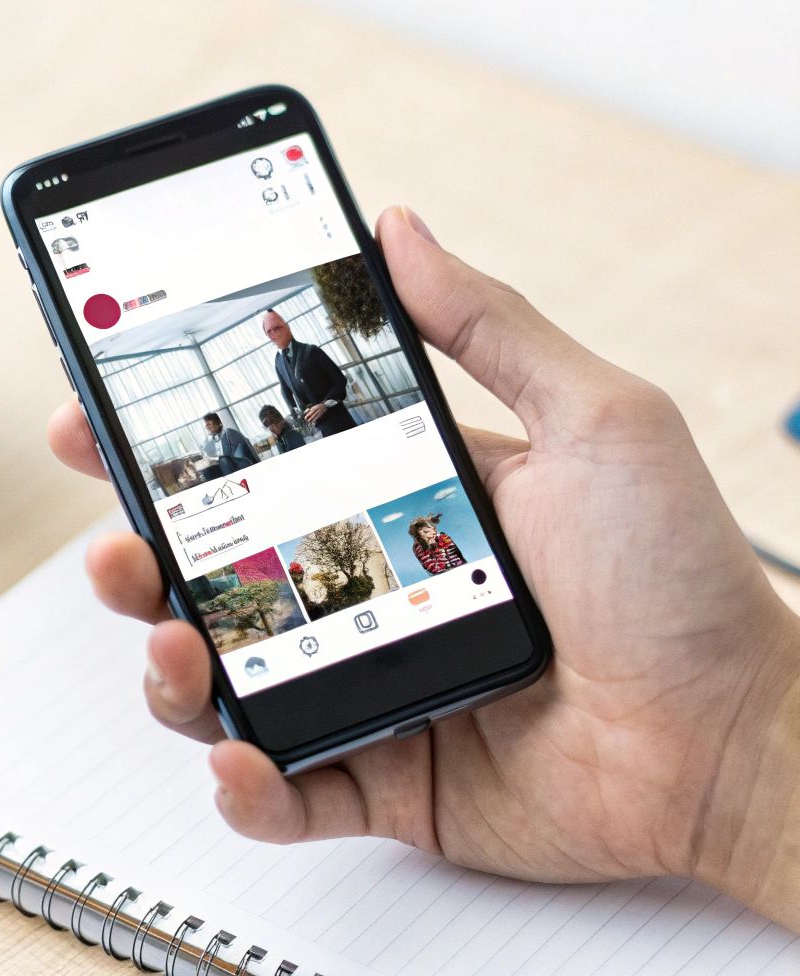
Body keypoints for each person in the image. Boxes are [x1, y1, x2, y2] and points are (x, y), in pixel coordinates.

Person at [46, 206, 800, 931]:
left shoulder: (307, 352)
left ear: (285, 324)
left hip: (343, 429)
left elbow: (333, 384)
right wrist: (738, 775)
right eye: (271, 327)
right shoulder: (277, 365)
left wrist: (735, 745)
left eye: (278, 323)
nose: (275, 331)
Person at [263, 308, 359, 437]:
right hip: (314, 429)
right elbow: (285, 390)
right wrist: (296, 412)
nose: (273, 333)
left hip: (338, 421)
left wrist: (324, 405)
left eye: (277, 327)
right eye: (269, 331)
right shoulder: (278, 360)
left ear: (287, 327)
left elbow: (340, 380)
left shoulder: (312, 351)